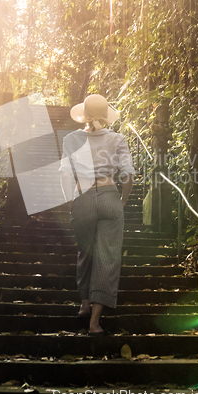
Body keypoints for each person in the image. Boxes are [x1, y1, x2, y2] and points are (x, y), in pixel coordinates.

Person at [59, 94, 135, 335]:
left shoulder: (71, 139)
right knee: (108, 258)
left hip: (83, 196)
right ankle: (94, 323)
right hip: (110, 196)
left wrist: (70, 199)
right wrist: (122, 200)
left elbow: (64, 174)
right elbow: (129, 175)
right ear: (106, 115)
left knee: (85, 251)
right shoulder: (117, 138)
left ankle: (83, 302)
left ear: (84, 115)